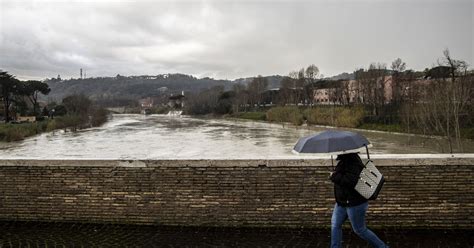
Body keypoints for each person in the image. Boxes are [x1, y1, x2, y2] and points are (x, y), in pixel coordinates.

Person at [329, 153, 388, 248]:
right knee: (335, 225)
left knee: (360, 230)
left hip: (355, 203)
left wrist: (334, 176)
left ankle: (382, 247)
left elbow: (351, 181)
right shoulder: (343, 162)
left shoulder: (353, 163)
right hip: (342, 202)